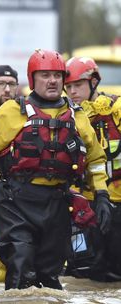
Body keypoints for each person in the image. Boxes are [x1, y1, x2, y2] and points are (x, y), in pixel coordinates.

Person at [0, 49, 111, 290]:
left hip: (57, 203)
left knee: (50, 277)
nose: (53, 80)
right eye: (45, 75)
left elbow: (96, 159)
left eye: (57, 75)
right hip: (16, 202)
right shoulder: (13, 112)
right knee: (21, 266)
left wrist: (101, 195)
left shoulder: (77, 116)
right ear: (32, 79)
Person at [64, 56, 121, 281]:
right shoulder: (67, 116)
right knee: (81, 272)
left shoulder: (115, 109)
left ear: (93, 83)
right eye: (68, 87)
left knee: (113, 271)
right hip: (83, 205)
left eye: (78, 85)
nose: (73, 91)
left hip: (116, 201)